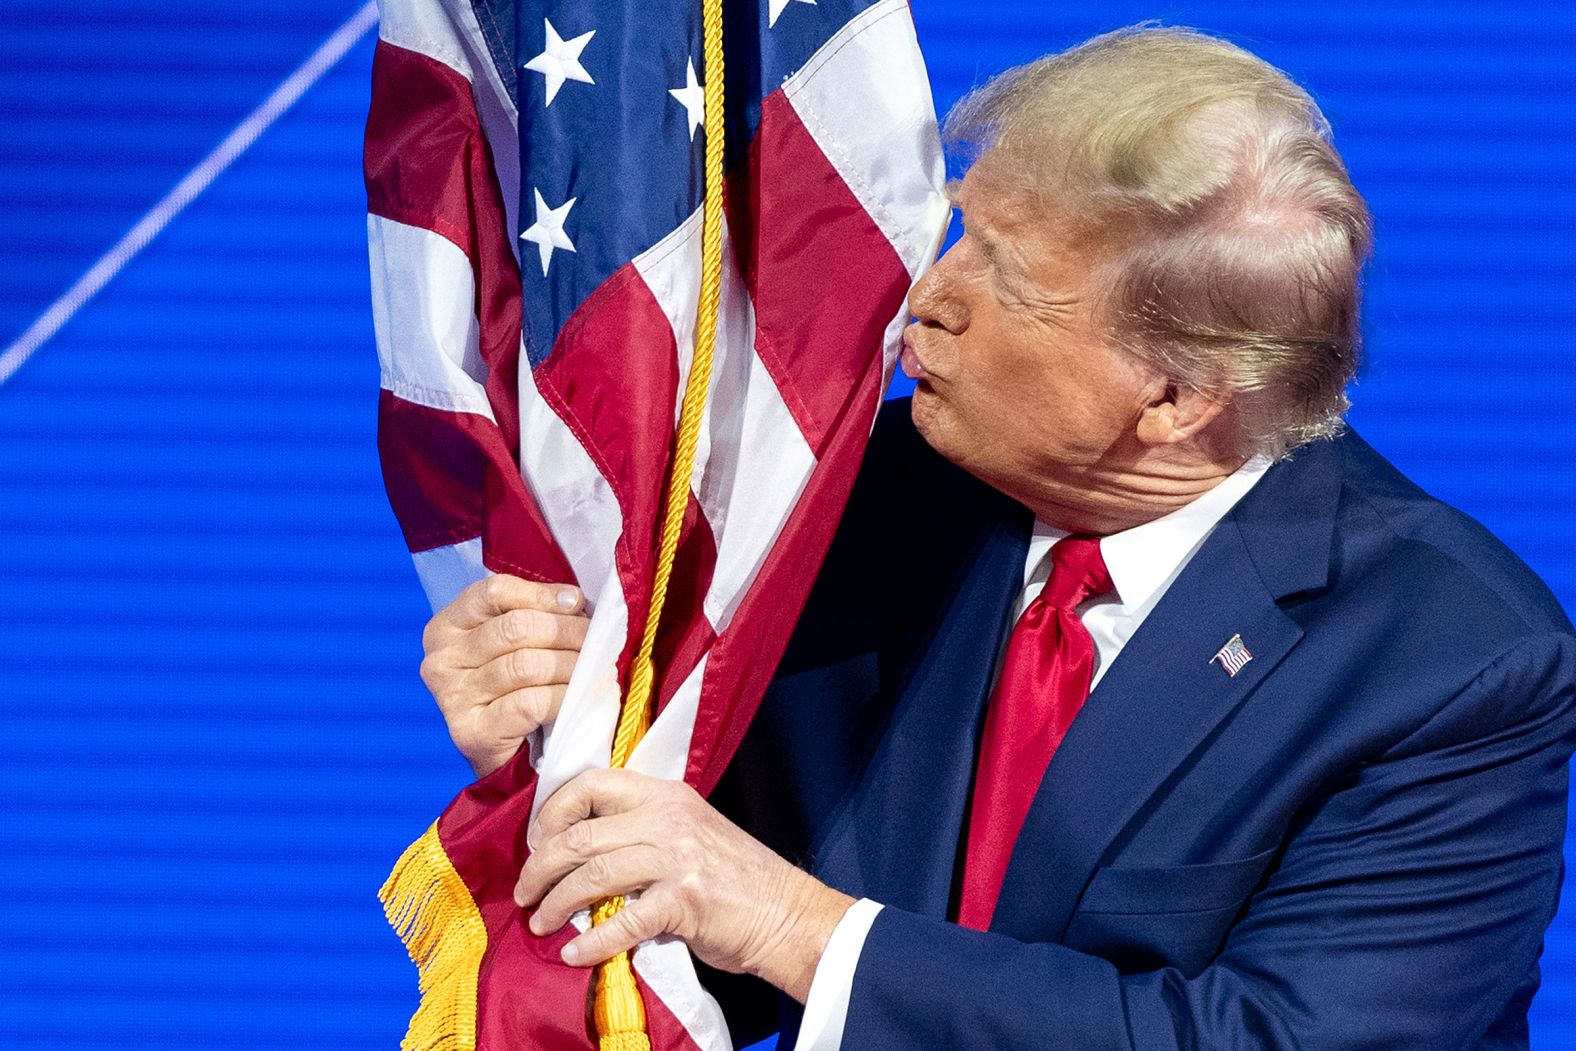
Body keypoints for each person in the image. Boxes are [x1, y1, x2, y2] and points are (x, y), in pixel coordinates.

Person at [414, 26, 1576, 1049]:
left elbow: (1264, 1038)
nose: (927, 291)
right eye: (960, 231)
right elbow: (711, 939)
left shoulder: (1450, 661)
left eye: (1004, 279)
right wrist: (566, 733)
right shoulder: (861, 504)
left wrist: (794, 924)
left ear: (1171, 395)